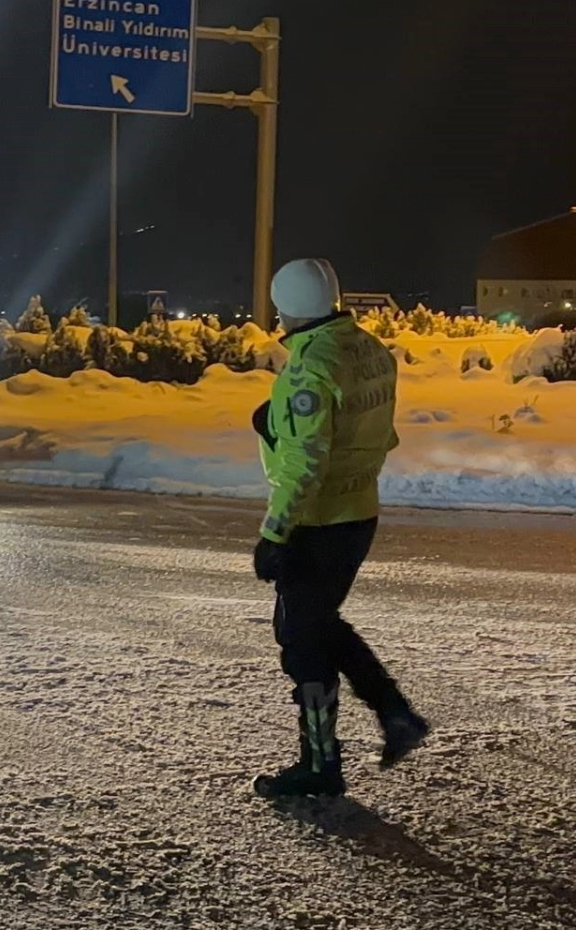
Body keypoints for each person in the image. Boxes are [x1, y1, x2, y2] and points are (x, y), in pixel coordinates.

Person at [249, 258, 429, 798]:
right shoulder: (370, 350)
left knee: (301, 640)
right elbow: (376, 433)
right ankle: (393, 715)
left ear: (286, 306)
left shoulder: (309, 368)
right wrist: (275, 425)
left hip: (317, 521)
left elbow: (305, 463)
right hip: (358, 513)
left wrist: (274, 534)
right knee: (318, 625)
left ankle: (323, 764)